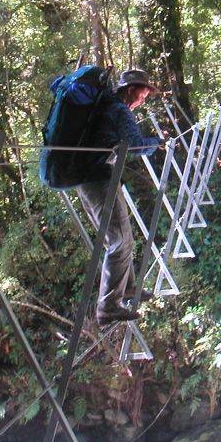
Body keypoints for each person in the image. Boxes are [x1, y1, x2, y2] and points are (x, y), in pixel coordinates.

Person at [77, 68, 163, 326]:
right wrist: (156, 143)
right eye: (143, 94)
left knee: (121, 237)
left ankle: (126, 288)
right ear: (130, 89)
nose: (143, 100)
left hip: (90, 176)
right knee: (119, 242)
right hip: (98, 178)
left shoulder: (105, 106)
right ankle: (108, 307)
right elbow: (135, 146)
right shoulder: (118, 108)